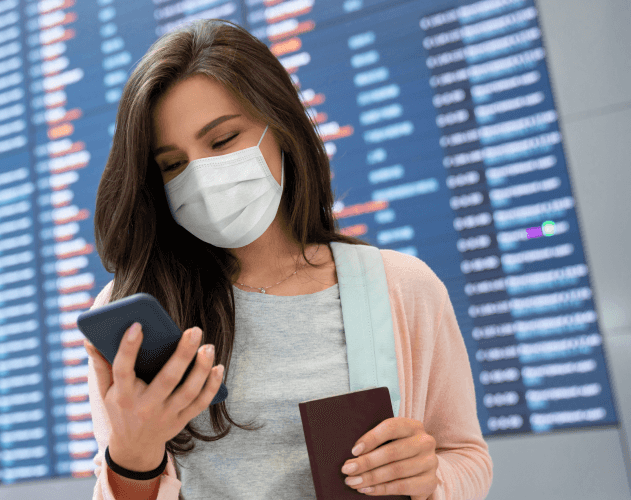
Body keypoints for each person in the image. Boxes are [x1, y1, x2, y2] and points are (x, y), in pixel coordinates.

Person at [83, 19, 493, 500]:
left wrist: (430, 479)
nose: (202, 176)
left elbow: (465, 456)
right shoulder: (138, 312)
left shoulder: (403, 288)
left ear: (280, 127)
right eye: (173, 164)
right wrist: (131, 459)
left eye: (222, 140)